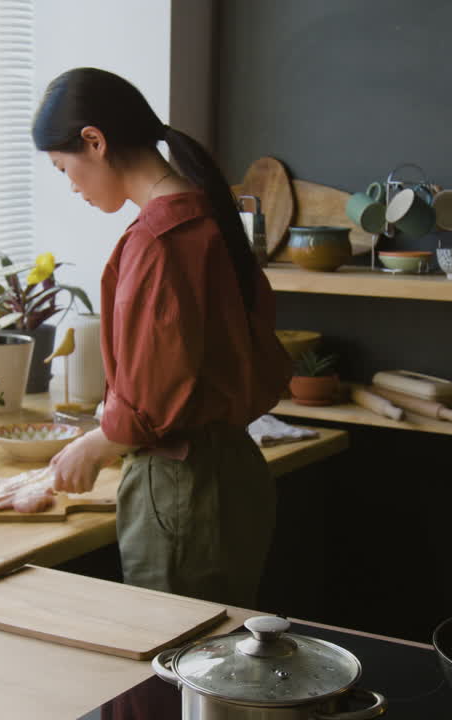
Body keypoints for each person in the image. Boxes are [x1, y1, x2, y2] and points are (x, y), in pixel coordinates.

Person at [33, 67, 291, 609]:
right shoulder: (209, 215)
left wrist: (94, 445)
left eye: (64, 168)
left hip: (182, 486)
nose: (71, 185)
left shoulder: (159, 240)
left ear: (94, 142)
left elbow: (156, 395)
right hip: (233, 473)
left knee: (173, 672)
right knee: (213, 672)